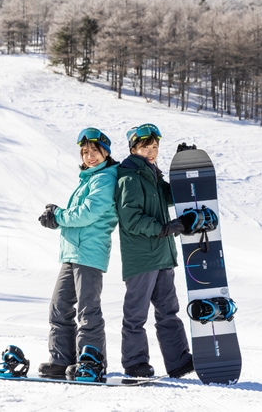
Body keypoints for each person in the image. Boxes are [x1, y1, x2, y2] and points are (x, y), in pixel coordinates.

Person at [37, 127, 119, 382]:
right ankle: (63, 360)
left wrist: (58, 216)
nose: (90, 156)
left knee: (87, 309)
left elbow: (87, 213)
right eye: (85, 152)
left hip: (89, 254)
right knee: (59, 306)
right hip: (72, 253)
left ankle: (91, 361)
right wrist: (57, 217)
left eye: (94, 151)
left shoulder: (105, 179)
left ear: (105, 152)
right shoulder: (88, 179)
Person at [114, 123, 195, 379]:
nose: (151, 151)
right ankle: (135, 362)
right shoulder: (129, 178)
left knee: (168, 312)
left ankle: (179, 361)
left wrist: (183, 167)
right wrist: (164, 228)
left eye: (155, 146)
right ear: (134, 148)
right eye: (145, 146)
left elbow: (172, 196)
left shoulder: (153, 175)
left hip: (162, 255)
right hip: (142, 258)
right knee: (136, 314)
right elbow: (132, 219)